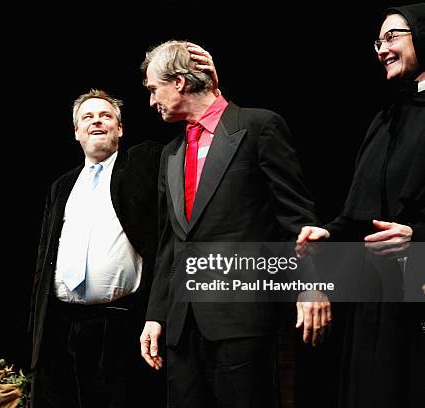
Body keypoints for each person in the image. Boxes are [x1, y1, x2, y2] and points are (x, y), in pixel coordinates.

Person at [139, 40, 330, 408]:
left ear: (178, 82)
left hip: (241, 320)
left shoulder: (259, 126)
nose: (151, 101)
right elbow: (170, 243)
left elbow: (297, 218)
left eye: (153, 89)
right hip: (182, 326)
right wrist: (156, 315)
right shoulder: (171, 152)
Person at [297, 4, 425, 407]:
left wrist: (418, 237)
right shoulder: (384, 120)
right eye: (378, 41)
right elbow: (359, 213)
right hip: (377, 298)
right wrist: (329, 232)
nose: (382, 49)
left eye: (392, 36)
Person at [29, 89, 163, 408]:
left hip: (119, 323)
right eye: (87, 117)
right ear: (76, 132)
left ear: (120, 128)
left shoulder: (140, 165)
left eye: (106, 116)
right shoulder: (61, 186)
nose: (97, 121)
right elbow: (44, 258)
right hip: (62, 324)